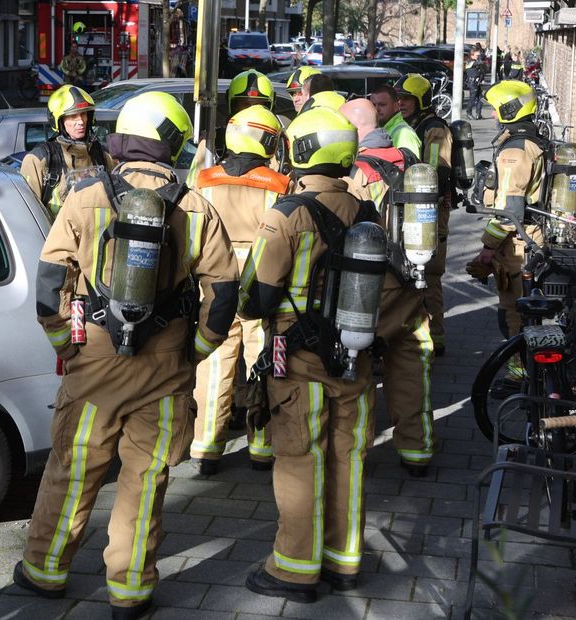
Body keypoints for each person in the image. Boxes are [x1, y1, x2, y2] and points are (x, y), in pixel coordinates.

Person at [15, 91, 239, 619]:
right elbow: (224, 291)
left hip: (93, 364)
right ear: (175, 143)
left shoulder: (87, 194)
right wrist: (196, 352)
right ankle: (131, 590)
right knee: (146, 479)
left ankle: (46, 572)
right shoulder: (195, 204)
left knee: (73, 470)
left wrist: (65, 345)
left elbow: (51, 285)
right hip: (165, 370)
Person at [238, 107, 378, 602]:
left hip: (297, 363)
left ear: (301, 150)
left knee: (300, 458)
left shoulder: (288, 213)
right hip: (355, 357)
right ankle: (345, 561)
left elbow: (255, 297)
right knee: (348, 456)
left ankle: (295, 569)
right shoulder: (367, 213)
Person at [190, 105, 289, 475]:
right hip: (260, 283)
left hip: (213, 282)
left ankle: (206, 448)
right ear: (268, 141)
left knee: (214, 364)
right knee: (262, 362)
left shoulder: (203, 179)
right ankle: (261, 447)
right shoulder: (279, 184)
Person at [341, 98, 436, 476]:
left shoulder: (355, 170)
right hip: (409, 280)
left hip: (365, 284)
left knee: (357, 363)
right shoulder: (410, 163)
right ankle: (417, 450)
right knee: (410, 361)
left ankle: (354, 450)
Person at [471, 80, 547, 359]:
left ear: (511, 109)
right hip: (525, 237)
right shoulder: (530, 140)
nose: (492, 115)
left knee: (513, 314)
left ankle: (520, 374)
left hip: (517, 241)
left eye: (496, 109)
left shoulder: (515, 151)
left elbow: (509, 208)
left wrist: (488, 248)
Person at [395, 74, 454, 357]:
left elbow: (435, 173)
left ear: (421, 100)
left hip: (431, 210)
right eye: (399, 99)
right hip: (414, 207)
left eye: (406, 99)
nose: (401, 103)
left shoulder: (435, 129)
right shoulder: (410, 126)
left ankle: (437, 338)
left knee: (429, 273)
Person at [21, 85, 113, 217]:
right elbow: (27, 214)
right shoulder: (39, 159)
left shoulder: (102, 155)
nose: (80, 121)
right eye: (73, 116)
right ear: (59, 121)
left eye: (84, 114)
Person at [368, 84, 422, 163]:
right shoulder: (381, 129)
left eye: (382, 105)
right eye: (373, 105)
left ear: (396, 106)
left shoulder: (405, 134)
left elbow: (410, 171)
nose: (377, 109)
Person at [465, 49, 488, 120]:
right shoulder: (469, 62)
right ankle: (469, 113)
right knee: (472, 99)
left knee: (481, 98)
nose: (478, 57)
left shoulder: (475, 62)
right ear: (472, 55)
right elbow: (479, 63)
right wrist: (482, 61)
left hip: (477, 83)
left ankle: (478, 114)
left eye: (479, 55)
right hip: (472, 83)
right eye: (477, 55)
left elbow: (483, 70)